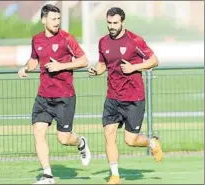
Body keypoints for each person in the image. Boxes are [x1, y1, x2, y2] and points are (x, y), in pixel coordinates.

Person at [88, 7, 163, 184]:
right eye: (109, 23)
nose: (112, 26)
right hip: (112, 97)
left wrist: (134, 68)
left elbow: (154, 60)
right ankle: (115, 175)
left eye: (115, 23)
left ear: (123, 22)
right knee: (109, 133)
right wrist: (96, 71)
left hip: (133, 98)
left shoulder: (134, 41)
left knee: (131, 140)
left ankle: (152, 143)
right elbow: (102, 64)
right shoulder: (103, 42)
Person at [18, 4, 91, 184]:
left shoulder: (67, 38)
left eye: (58, 19)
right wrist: (26, 67)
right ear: (43, 20)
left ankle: (80, 142)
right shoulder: (36, 40)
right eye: (53, 19)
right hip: (43, 96)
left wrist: (61, 66)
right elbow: (34, 60)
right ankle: (48, 175)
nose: (57, 22)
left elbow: (84, 60)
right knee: (38, 131)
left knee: (64, 139)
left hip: (64, 97)